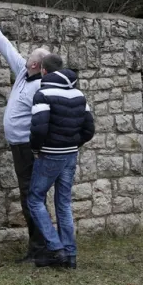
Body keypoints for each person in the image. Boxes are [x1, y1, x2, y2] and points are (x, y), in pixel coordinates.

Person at [0, 5, 51, 263]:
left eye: (31, 55)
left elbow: (45, 121)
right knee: (27, 195)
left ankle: (41, 249)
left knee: (32, 197)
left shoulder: (42, 85)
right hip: (19, 147)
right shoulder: (22, 73)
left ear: (36, 63)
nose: (26, 56)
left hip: (29, 149)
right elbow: (7, 47)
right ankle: (40, 246)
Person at [27, 54, 95, 268]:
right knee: (63, 203)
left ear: (44, 71)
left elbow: (39, 128)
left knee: (35, 198)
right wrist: (73, 143)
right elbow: (89, 129)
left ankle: (56, 248)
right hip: (70, 155)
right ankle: (70, 254)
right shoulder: (78, 94)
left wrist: (36, 148)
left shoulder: (43, 93)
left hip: (49, 154)